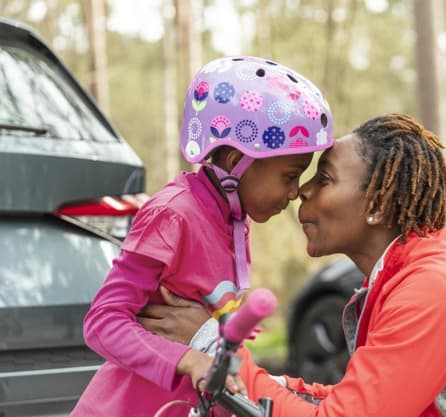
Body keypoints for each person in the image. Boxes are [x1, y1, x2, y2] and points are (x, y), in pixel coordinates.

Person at [140, 113, 446, 417]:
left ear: (379, 204)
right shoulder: (409, 269)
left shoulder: (435, 287)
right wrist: (277, 383)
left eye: (324, 178)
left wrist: (211, 345)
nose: (301, 191)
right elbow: (360, 401)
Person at [70, 55, 334, 417]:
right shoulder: (173, 215)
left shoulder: (231, 219)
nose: (294, 193)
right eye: (289, 175)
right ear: (233, 160)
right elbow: (103, 322)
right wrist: (192, 360)